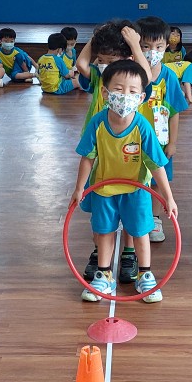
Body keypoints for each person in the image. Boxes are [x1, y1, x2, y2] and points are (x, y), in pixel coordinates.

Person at [72, 59, 179, 304]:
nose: (124, 96)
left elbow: (156, 165)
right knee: (104, 232)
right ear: (105, 92)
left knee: (140, 232)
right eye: (118, 90)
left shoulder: (143, 127)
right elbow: (87, 158)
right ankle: (104, 274)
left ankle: (145, 274)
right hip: (103, 189)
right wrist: (79, 189)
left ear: (141, 98)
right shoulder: (97, 123)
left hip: (136, 190)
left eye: (132, 91)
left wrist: (168, 197)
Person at [135, 16, 189, 251]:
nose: (152, 52)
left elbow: (174, 112)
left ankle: (155, 219)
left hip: (160, 141)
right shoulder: (132, 75)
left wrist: (173, 142)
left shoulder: (169, 77)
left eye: (158, 47)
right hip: (135, 140)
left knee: (159, 180)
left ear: (166, 46)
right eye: (145, 46)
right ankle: (135, 215)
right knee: (136, 179)